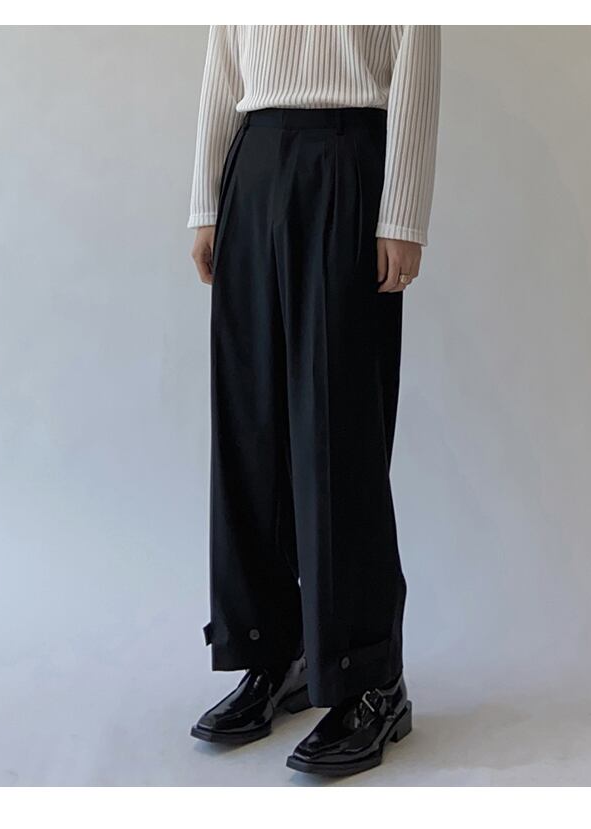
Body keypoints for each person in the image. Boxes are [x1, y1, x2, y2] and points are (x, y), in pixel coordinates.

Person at [188, 25, 440, 777]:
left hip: (347, 155)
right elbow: (222, 64)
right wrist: (206, 201)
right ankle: (273, 648)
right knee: (251, 419)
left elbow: (417, 66)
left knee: (338, 429)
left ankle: (372, 678)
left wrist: (402, 215)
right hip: (253, 162)